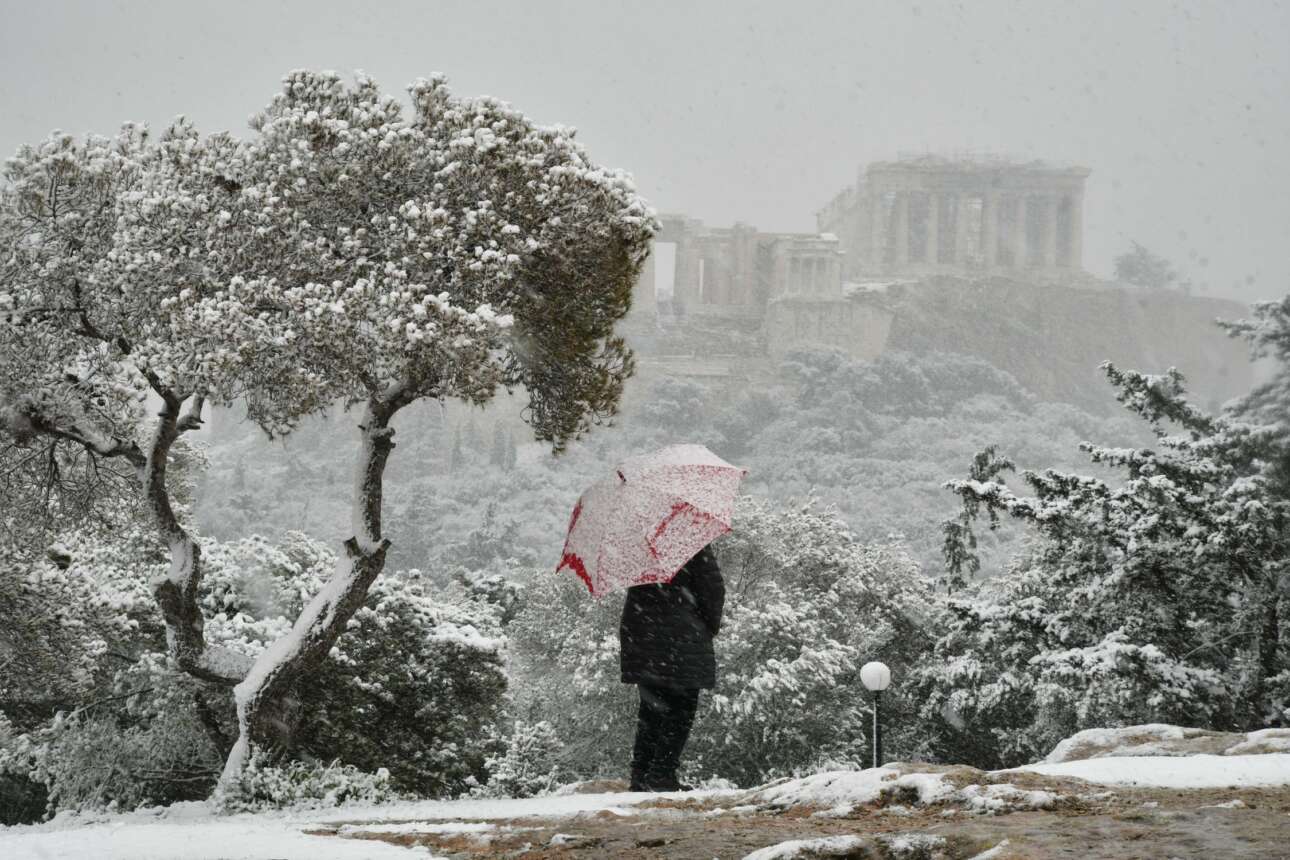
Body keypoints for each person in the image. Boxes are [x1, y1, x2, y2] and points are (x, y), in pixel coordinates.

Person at [619, 543, 725, 792]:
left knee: (651, 709)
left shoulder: (638, 545)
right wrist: (707, 627)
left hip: (642, 637)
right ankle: (661, 774)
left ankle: (641, 775)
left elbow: (636, 597)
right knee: (681, 710)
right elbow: (713, 590)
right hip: (682, 640)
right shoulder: (690, 542)